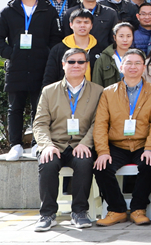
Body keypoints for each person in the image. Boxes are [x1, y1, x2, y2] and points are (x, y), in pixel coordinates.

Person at [0, 0, 60, 161]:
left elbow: (56, 38)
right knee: (15, 108)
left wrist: (47, 55)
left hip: (41, 67)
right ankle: (15, 145)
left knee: (40, 108)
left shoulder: (48, 10)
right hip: (17, 68)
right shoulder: (8, 11)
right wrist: (11, 54)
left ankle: (38, 143)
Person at [33, 48, 103, 231]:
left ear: (87, 65)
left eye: (81, 62)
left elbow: (99, 122)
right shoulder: (49, 91)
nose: (76, 65)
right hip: (55, 144)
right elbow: (40, 123)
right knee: (47, 163)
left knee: (84, 162)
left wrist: (85, 143)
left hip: (82, 144)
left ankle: (79, 212)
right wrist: (46, 145)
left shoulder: (98, 91)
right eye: (71, 62)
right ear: (63, 65)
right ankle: (47, 214)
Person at [92, 48, 151, 226]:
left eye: (138, 63)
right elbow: (100, 124)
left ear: (144, 67)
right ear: (121, 67)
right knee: (101, 167)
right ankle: (117, 210)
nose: (133, 67)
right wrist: (103, 152)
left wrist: (150, 148)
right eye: (129, 63)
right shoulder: (108, 92)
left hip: (142, 144)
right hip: (117, 145)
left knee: (149, 164)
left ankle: (138, 209)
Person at [43, 8, 100, 86]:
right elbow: (49, 78)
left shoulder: (100, 49)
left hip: (94, 92)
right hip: (64, 92)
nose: (82, 25)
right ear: (71, 25)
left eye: (86, 22)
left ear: (91, 26)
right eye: (78, 22)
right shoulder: (58, 50)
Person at [92, 23, 135, 88]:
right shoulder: (103, 59)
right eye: (121, 36)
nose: (125, 40)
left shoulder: (139, 57)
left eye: (128, 36)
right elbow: (96, 85)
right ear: (115, 37)